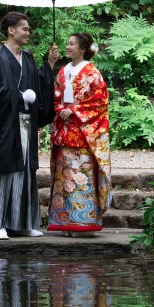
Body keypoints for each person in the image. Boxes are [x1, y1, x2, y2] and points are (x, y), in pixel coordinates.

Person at [0, 11, 59, 239]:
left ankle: (24, 223)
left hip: (26, 123)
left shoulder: (29, 59)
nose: (28, 33)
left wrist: (49, 65)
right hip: (4, 124)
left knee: (26, 170)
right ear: (11, 30)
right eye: (25, 29)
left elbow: (39, 85)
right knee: (4, 169)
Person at [47, 32, 112, 235]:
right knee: (64, 177)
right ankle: (65, 222)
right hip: (64, 131)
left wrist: (74, 110)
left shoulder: (92, 73)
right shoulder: (62, 72)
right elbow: (55, 98)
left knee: (80, 175)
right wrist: (59, 110)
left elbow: (100, 102)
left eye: (71, 44)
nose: (67, 46)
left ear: (82, 49)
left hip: (83, 134)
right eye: (67, 43)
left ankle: (85, 222)